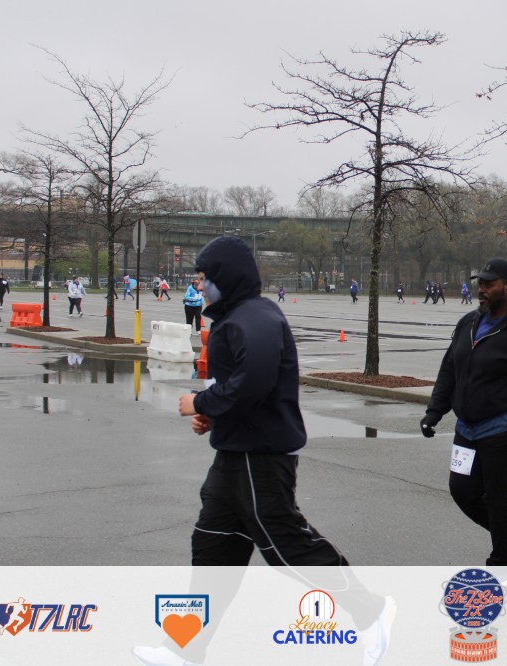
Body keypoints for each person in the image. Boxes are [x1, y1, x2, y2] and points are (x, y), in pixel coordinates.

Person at [137, 238, 394, 666]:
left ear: (225, 277)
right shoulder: (237, 317)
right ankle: (185, 648)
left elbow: (254, 383)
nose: (198, 285)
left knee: (288, 547)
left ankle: (371, 612)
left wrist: (201, 404)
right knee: (214, 549)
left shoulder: (252, 319)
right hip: (235, 455)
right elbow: (238, 387)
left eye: (203, 277)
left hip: (259, 458)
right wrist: (213, 416)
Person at [421, 258, 507, 568]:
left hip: (506, 431)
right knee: (462, 491)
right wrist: (435, 410)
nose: (481, 289)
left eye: (488, 284)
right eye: (480, 283)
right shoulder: (468, 323)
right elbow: (450, 369)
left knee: (499, 496)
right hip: (467, 429)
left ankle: (501, 561)